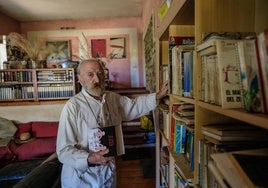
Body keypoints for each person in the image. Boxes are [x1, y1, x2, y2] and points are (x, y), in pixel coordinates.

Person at [56, 59, 168, 188]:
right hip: (81, 179)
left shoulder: (112, 98)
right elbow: (63, 151)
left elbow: (133, 106)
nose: (97, 80)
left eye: (100, 73)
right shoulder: (72, 107)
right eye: (90, 74)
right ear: (80, 79)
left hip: (107, 174)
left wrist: (158, 95)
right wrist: (89, 158)